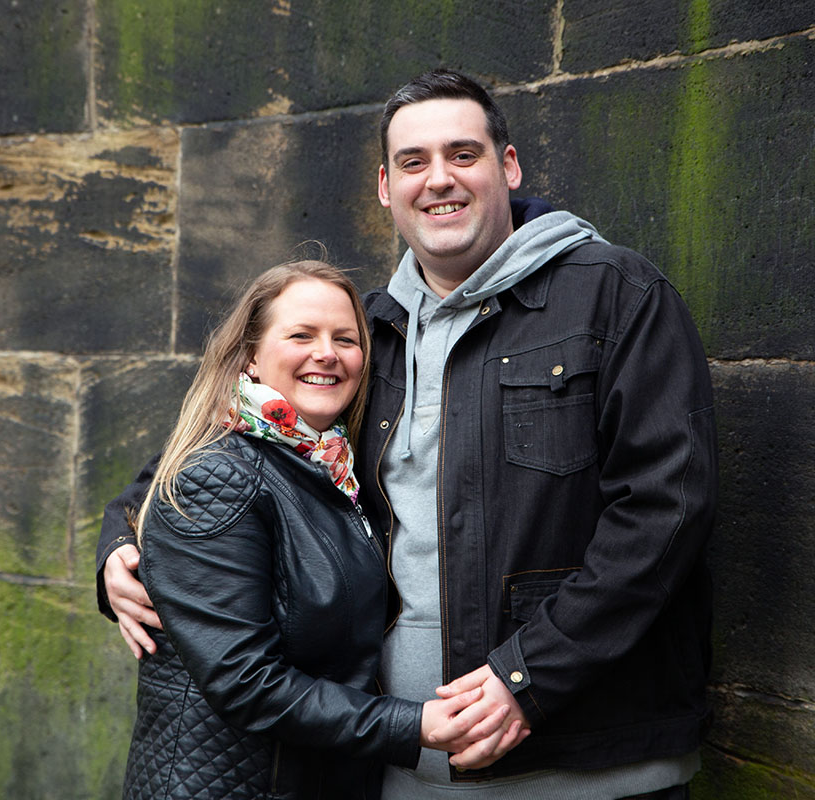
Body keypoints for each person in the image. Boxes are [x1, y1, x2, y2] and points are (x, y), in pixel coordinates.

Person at [98, 70, 717, 800]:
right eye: (414, 162)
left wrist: (529, 675)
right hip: (400, 769)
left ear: (507, 167)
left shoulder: (617, 295)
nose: (440, 180)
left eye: (464, 154)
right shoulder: (366, 336)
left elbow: (665, 509)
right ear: (386, 188)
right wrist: (117, 550)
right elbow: (202, 455)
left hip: (589, 764)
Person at [119, 259, 520, 800]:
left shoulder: (329, 464)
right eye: (301, 335)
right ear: (250, 358)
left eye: (346, 339)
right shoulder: (219, 472)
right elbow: (245, 681)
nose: (326, 353)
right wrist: (414, 725)